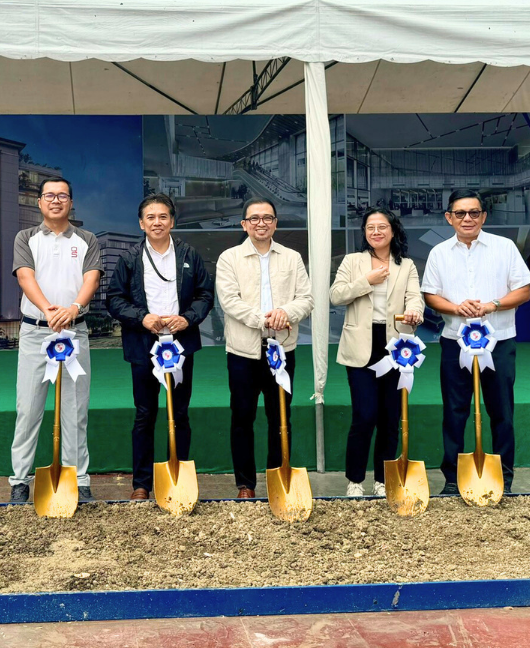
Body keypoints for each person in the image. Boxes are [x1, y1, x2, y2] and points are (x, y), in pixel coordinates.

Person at [421, 189, 530, 495]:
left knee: (501, 411)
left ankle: (503, 478)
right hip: (453, 342)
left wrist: (493, 304)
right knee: (455, 411)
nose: (467, 219)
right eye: (460, 213)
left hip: (499, 342)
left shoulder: (504, 247)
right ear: (449, 218)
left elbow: (524, 291)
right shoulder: (439, 253)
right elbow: (430, 296)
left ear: (484, 216)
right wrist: (456, 308)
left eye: (474, 213)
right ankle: (453, 480)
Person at [106, 193, 214, 500]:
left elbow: (205, 294)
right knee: (144, 413)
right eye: (150, 217)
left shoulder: (189, 255)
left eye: (163, 216)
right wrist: (142, 318)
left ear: (172, 221)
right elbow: (114, 298)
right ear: (141, 223)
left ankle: (177, 473)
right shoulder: (129, 258)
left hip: (181, 343)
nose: (157, 222)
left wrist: (187, 319)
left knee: (179, 413)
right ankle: (141, 483)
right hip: (144, 344)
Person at [9, 178, 103, 504]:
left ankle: (79, 478)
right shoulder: (26, 237)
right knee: (28, 408)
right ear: (39, 202)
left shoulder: (86, 239)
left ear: (71, 202)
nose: (56, 200)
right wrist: (49, 309)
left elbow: (91, 277)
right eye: (49, 195)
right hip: (37, 331)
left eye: (62, 195)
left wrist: (74, 308)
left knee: (74, 411)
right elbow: (25, 276)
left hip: (74, 332)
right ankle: (20, 480)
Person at [215, 198, 314, 498]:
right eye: (254, 218)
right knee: (242, 417)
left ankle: (278, 477)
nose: (261, 223)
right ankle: (245, 484)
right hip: (243, 352)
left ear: (276, 223)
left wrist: (286, 313)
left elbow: (305, 299)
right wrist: (264, 320)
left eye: (267, 218)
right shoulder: (229, 258)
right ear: (244, 224)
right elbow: (229, 301)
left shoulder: (292, 258)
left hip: (282, 351)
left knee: (281, 416)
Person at [331, 208, 424, 497]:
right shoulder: (352, 261)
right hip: (360, 345)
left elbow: (415, 298)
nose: (376, 232)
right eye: (370, 227)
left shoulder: (406, 265)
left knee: (389, 415)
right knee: (365, 413)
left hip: (395, 346)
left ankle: (383, 480)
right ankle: (355, 480)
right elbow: (336, 295)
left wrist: (414, 313)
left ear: (393, 231)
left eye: (382, 227)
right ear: (364, 232)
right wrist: (366, 281)